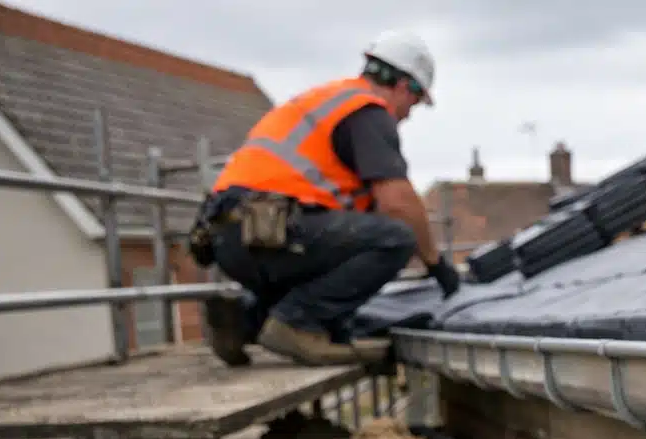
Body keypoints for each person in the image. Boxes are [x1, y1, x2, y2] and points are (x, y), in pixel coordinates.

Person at [192, 30, 462, 368]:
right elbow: (398, 203)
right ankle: (298, 326)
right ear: (406, 87)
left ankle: (243, 320)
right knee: (395, 239)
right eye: (415, 103)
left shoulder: (327, 100)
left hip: (229, 236)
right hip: (269, 229)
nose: (409, 114)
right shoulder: (367, 112)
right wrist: (437, 264)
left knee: (329, 272)